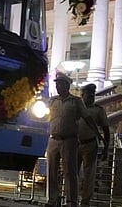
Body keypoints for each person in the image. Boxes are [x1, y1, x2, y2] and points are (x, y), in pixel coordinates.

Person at [46, 71, 103, 207]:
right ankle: (52, 199)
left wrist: (97, 134)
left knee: (70, 171)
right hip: (53, 139)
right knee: (52, 171)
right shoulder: (53, 100)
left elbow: (87, 118)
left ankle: (71, 201)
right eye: (57, 84)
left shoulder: (76, 101)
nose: (58, 87)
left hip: (69, 140)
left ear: (66, 86)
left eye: (60, 84)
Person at [76, 83, 110, 207]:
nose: (91, 97)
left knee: (89, 175)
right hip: (75, 144)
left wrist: (106, 148)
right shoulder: (75, 108)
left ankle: (85, 202)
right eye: (89, 95)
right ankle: (71, 199)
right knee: (72, 173)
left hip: (90, 144)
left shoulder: (98, 110)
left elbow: (106, 129)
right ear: (82, 95)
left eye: (93, 95)